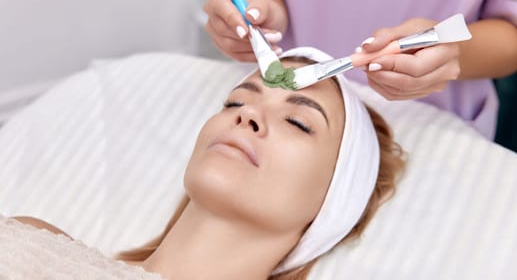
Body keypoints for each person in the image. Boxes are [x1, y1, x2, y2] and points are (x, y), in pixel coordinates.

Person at [5, 47, 405, 280]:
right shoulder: (29, 241)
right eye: (236, 101)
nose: (245, 116)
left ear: (334, 205)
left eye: (298, 123)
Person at [204, 0, 517, 140]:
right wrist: (257, 10)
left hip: (429, 127)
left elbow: (514, 36)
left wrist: (452, 53)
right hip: (281, 96)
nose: (244, 118)